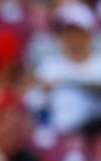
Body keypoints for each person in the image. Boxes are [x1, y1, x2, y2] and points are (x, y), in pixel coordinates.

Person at [31, 3, 101, 134]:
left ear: (88, 34)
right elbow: (34, 103)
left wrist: (67, 83)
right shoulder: (49, 67)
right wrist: (44, 94)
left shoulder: (99, 64)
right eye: (67, 33)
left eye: (77, 33)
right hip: (61, 134)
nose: (72, 39)